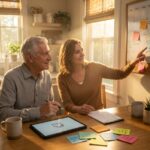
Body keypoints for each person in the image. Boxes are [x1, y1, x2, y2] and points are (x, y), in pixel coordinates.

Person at [57, 38, 146, 115]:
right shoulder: (62, 77)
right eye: (77, 52)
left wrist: (134, 62)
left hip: (98, 115)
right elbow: (67, 104)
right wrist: (79, 109)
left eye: (82, 50)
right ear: (68, 56)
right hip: (77, 118)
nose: (82, 54)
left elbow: (120, 74)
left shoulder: (95, 67)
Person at [0, 36, 61, 122]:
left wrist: (54, 108)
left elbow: (49, 107)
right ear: (30, 58)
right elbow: (3, 113)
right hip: (21, 131)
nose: (50, 58)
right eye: (45, 54)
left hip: (44, 127)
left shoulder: (47, 75)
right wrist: (38, 112)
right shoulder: (11, 78)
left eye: (49, 53)